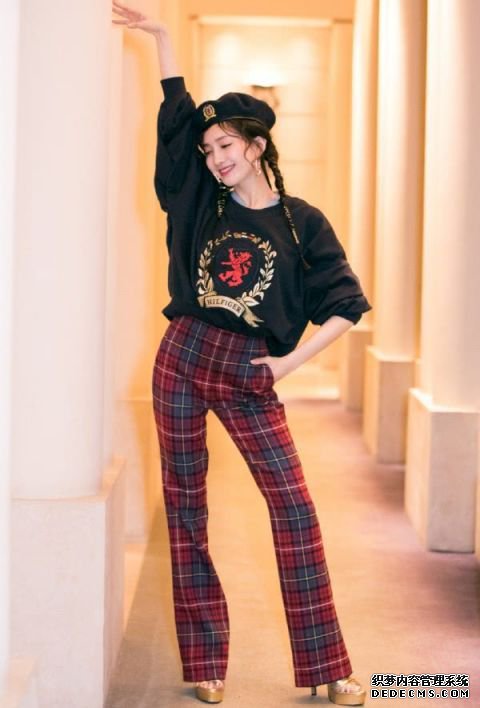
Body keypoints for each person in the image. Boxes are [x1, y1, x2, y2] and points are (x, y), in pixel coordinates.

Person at [112, 2, 372, 705]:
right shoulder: (204, 203)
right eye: (209, 149)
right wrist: (163, 40)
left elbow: (347, 304)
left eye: (226, 144)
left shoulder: (303, 222)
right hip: (183, 356)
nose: (215, 157)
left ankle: (327, 666)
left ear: (256, 145)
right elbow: (175, 127)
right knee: (186, 509)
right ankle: (205, 664)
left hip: (250, 372)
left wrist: (289, 364)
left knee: (294, 509)